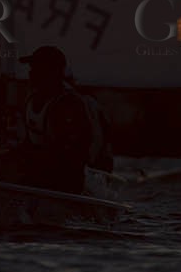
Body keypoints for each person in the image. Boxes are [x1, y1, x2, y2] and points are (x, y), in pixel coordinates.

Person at [12, 46, 112, 194]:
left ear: (54, 72)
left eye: (37, 69)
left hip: (65, 184)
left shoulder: (68, 105)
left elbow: (69, 156)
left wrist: (28, 157)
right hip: (39, 176)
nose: (31, 73)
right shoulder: (31, 98)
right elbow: (31, 142)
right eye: (31, 68)